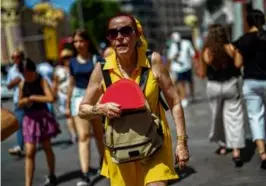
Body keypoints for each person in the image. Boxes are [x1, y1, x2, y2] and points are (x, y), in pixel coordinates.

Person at [78, 13, 189, 186]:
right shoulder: (102, 68)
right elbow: (82, 109)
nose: (120, 37)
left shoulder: (153, 61)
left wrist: (181, 142)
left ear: (136, 34)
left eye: (125, 31)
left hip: (154, 144)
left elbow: (174, 102)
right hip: (120, 151)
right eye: (113, 33)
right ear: (109, 39)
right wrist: (100, 109)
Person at [198, 24, 245, 167]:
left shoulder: (207, 51)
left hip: (214, 86)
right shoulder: (230, 47)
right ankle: (236, 151)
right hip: (230, 85)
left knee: (217, 117)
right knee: (234, 117)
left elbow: (202, 73)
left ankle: (223, 146)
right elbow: (238, 65)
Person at [65, 29, 104, 185]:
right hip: (78, 98)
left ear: (87, 42)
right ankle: (85, 172)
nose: (78, 44)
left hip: (95, 97)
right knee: (83, 136)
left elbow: (102, 82)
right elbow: (71, 84)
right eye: (75, 41)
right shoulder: (72, 62)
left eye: (81, 41)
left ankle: (105, 163)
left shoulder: (96, 59)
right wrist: (67, 105)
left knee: (99, 135)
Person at [17, 58, 60, 186]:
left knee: (47, 147)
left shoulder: (41, 80)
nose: (26, 76)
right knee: (29, 151)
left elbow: (51, 98)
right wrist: (24, 101)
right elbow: (19, 103)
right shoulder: (22, 83)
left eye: (28, 73)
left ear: (32, 70)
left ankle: (52, 175)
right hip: (29, 119)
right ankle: (28, 184)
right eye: (23, 73)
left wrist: (33, 97)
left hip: (42, 117)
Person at [234, 9, 266, 169]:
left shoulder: (244, 40)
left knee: (255, 117)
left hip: (251, 82)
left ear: (248, 22)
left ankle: (263, 153)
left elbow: (237, 64)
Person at [52, 49, 77, 143]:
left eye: (68, 57)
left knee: (76, 114)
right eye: (64, 58)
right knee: (69, 115)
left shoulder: (75, 66)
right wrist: (53, 95)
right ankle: (73, 134)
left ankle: (79, 130)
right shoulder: (58, 70)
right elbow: (55, 83)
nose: (67, 59)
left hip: (75, 93)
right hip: (63, 95)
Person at [167, 32, 195, 107]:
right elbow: (170, 57)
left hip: (187, 66)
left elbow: (192, 53)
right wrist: (174, 57)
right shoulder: (172, 46)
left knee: (189, 81)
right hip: (177, 68)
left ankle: (191, 95)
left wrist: (194, 63)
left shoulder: (187, 43)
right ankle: (183, 98)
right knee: (180, 83)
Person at [7, 49, 25, 156]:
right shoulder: (11, 70)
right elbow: (9, 86)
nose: (15, 59)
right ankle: (19, 146)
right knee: (19, 124)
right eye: (13, 57)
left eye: (17, 57)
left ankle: (42, 140)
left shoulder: (28, 67)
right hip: (17, 101)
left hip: (30, 99)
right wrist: (14, 82)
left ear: (22, 57)